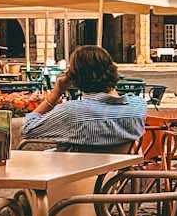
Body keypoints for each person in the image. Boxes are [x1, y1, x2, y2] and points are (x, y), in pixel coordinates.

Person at [18, 45, 147, 151]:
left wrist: (55, 94)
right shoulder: (138, 107)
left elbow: (27, 129)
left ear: (74, 78)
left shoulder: (72, 112)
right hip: (115, 179)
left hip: (74, 179)